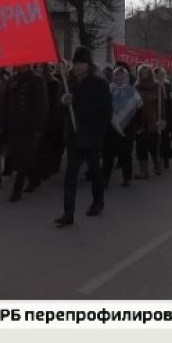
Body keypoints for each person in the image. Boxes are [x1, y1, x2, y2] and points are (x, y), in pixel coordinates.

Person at [56, 48, 111, 228]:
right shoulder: (68, 83)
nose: (78, 67)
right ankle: (68, 213)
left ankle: (98, 201)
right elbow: (59, 111)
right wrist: (63, 102)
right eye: (76, 63)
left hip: (92, 137)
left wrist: (99, 132)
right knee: (70, 175)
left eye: (82, 63)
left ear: (89, 65)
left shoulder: (99, 84)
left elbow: (106, 112)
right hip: (74, 137)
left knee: (95, 172)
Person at [3, 64, 48, 202]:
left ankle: (17, 189)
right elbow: (5, 103)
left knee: (24, 156)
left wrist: (38, 128)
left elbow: (41, 105)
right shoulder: (12, 80)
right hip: (13, 125)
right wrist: (1, 123)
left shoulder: (36, 80)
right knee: (21, 156)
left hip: (29, 126)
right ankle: (34, 180)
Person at [104, 66, 141, 188]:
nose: (119, 77)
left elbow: (138, 109)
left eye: (122, 74)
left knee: (126, 154)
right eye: (116, 74)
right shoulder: (108, 89)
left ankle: (127, 178)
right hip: (110, 127)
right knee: (108, 155)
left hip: (127, 128)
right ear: (113, 76)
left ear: (126, 77)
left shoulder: (132, 91)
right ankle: (104, 179)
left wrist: (138, 125)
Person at [134, 65, 164, 178]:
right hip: (140, 120)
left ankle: (157, 164)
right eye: (141, 73)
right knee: (141, 146)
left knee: (153, 145)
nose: (143, 75)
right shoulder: (136, 87)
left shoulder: (157, 86)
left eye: (145, 73)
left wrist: (162, 119)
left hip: (153, 120)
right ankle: (144, 171)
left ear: (150, 74)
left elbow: (162, 105)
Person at [37, 63, 65, 180]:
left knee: (49, 146)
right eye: (37, 68)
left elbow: (54, 104)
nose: (39, 70)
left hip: (51, 119)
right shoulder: (36, 82)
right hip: (39, 118)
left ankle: (49, 168)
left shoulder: (54, 83)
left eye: (41, 68)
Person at [154, 67, 172, 168]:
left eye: (160, 74)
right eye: (156, 74)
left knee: (165, 139)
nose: (158, 76)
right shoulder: (153, 86)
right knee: (156, 139)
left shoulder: (168, 85)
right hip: (155, 115)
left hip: (166, 116)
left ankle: (166, 159)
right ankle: (157, 159)